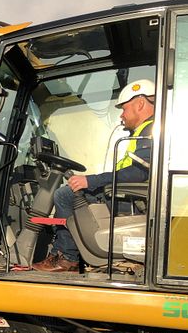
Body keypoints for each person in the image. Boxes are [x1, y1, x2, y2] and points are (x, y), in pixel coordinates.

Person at [33, 79, 156, 272]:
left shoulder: (150, 131)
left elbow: (137, 173)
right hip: (128, 194)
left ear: (140, 104)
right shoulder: (146, 131)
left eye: (124, 109)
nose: (122, 116)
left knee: (64, 196)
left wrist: (90, 181)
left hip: (133, 198)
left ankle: (66, 257)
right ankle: (72, 255)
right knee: (73, 191)